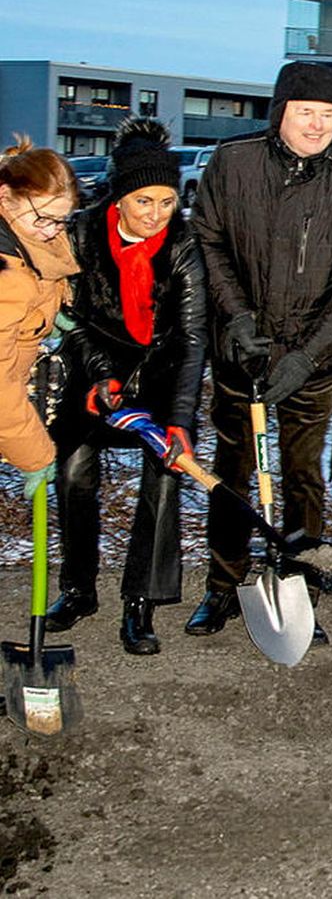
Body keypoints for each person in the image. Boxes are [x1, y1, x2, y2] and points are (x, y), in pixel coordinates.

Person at [186, 61, 332, 640]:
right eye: (305, 113)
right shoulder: (234, 162)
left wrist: (305, 354)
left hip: (312, 360)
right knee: (233, 471)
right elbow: (210, 242)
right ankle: (222, 585)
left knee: (302, 478)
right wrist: (240, 321)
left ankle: (298, 585)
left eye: (327, 116)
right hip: (240, 351)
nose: (317, 125)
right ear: (280, 113)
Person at [45, 119, 206, 656]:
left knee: (164, 474)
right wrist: (100, 375)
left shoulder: (183, 243)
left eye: (166, 201)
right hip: (94, 368)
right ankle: (78, 588)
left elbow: (191, 337)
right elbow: (70, 321)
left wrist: (180, 420)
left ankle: (142, 600)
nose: (157, 214)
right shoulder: (82, 235)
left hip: (160, 374)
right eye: (145, 202)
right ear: (118, 198)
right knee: (73, 472)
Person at [0, 138, 78, 520]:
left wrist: (50, 314)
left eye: (61, 219)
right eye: (42, 219)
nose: (51, 230)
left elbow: (46, 269)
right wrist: (35, 454)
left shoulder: (24, 235)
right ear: (5, 196)